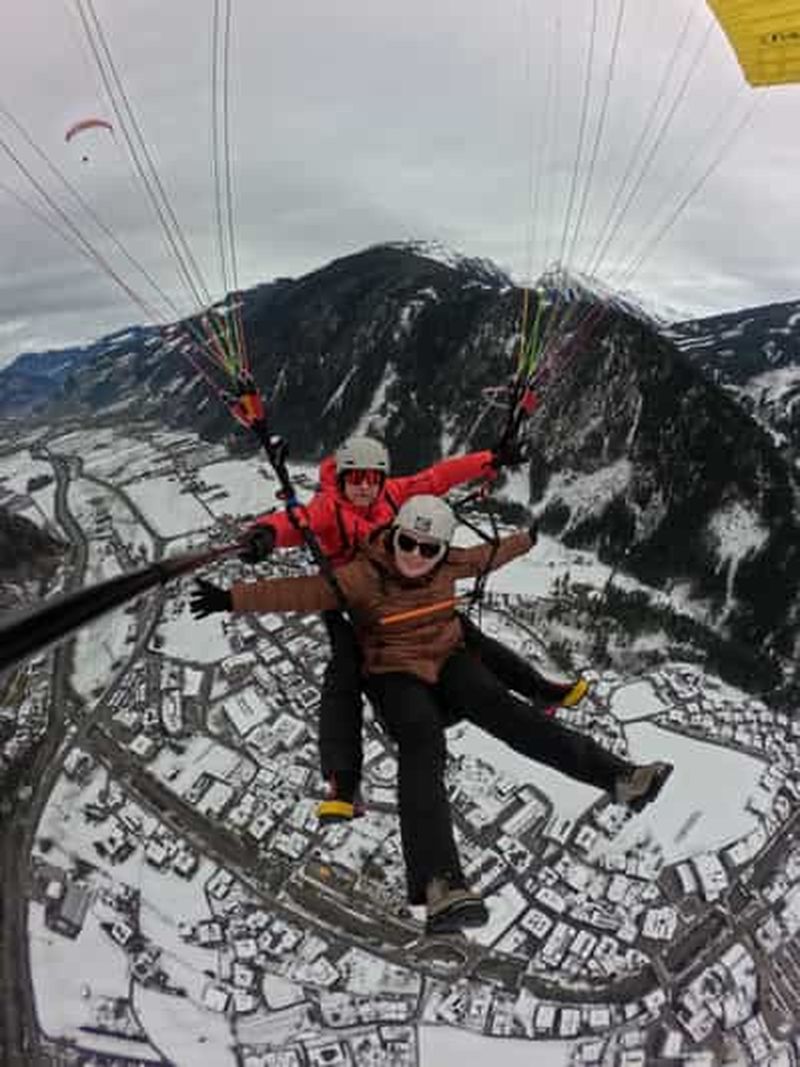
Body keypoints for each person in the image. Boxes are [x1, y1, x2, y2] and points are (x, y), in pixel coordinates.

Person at [191, 495, 673, 935]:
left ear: (442, 551)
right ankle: (440, 885)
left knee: (511, 714)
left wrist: (528, 539)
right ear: (393, 534)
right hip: (395, 671)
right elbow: (301, 591)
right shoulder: (363, 575)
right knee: (423, 747)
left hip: (449, 657)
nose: (417, 555)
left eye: (429, 549)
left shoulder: (448, 563)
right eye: (409, 543)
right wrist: (231, 600)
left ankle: (621, 779)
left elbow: (489, 554)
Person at [237, 435, 589, 822]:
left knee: (468, 635)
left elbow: (438, 478)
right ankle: (343, 782)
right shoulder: (326, 509)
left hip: (403, 593)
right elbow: (292, 524)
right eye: (357, 479)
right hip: (353, 603)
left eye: (373, 478)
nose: (366, 487)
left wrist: (489, 459)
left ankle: (540, 691)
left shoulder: (393, 493)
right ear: (341, 479)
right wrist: (265, 534)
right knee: (344, 675)